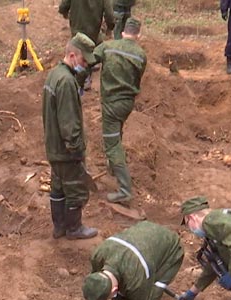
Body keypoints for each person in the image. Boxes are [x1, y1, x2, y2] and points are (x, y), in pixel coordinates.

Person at [43, 33, 99, 240]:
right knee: (75, 189)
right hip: (66, 150)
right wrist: (77, 150)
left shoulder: (54, 75)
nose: (85, 65)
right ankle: (74, 228)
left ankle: (59, 228)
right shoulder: (66, 82)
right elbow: (69, 122)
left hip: (54, 146)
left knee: (58, 186)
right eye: (84, 60)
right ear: (73, 55)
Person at [92, 17, 147, 205]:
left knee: (112, 144)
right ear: (138, 35)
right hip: (127, 104)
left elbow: (91, 58)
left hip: (111, 104)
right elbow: (137, 78)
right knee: (117, 132)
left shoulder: (108, 46)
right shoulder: (141, 55)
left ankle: (124, 190)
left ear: (123, 32)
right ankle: (113, 166)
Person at [59, 0, 115, 89]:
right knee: (90, 47)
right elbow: (109, 13)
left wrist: (64, 12)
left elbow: (64, 5)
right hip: (93, 28)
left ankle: (82, 77)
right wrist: (110, 27)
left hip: (77, 26)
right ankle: (88, 71)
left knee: (78, 49)